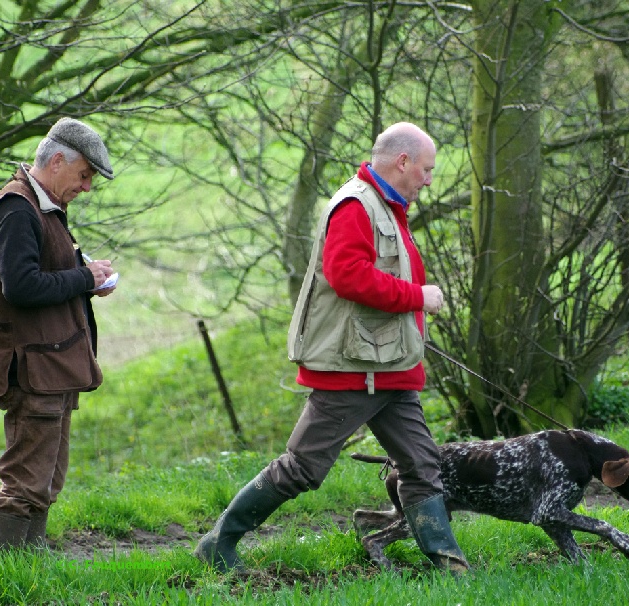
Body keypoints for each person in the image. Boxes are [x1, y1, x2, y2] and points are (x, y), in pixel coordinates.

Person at [194, 122, 469, 574]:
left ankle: (452, 568)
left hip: (388, 368)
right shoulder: (355, 207)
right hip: (353, 371)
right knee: (303, 468)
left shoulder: (388, 207)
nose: (429, 179)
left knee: (422, 466)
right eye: (426, 169)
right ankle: (217, 545)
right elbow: (348, 278)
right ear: (402, 163)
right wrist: (419, 296)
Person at [0, 117, 117, 550]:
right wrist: (84, 278)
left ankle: (30, 566)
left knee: (46, 479)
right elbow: (20, 286)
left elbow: (42, 274)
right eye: (84, 175)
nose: (87, 187)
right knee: (24, 483)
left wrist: (83, 275)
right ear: (57, 161)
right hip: (31, 368)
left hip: (50, 366)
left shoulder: (41, 208)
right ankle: (5, 576)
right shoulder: (17, 209)